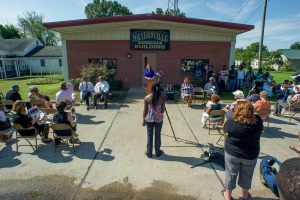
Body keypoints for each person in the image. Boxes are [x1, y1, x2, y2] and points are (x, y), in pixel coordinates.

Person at [222, 101, 263, 200]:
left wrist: (230, 112)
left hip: (232, 153)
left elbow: (225, 129)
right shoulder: (258, 121)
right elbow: (256, 116)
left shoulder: (231, 121)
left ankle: (227, 195)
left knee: (230, 174)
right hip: (250, 155)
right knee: (247, 175)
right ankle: (245, 196)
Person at [143, 82, 165, 158]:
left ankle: (149, 153)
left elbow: (145, 111)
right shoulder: (162, 98)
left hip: (149, 119)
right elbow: (162, 110)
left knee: (149, 136)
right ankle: (158, 152)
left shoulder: (147, 98)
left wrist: (143, 120)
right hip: (159, 119)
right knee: (158, 135)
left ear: (151, 89)